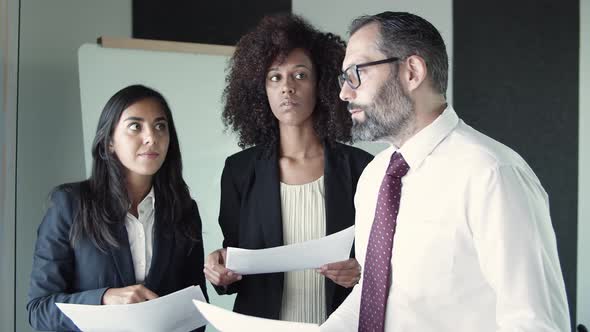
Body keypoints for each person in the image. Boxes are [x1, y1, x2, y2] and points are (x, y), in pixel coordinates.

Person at [322, 11, 570, 332]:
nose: (345, 93)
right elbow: (371, 297)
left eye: (356, 73)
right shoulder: (373, 177)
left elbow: (535, 323)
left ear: (412, 72)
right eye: (343, 78)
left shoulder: (492, 174)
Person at [203, 14, 373, 324]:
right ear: (260, 90)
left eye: (300, 75)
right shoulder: (239, 171)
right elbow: (235, 263)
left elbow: (381, 262)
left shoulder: (361, 168)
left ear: (320, 84)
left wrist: (360, 272)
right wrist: (220, 271)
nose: (287, 88)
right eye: (275, 77)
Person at [27, 85, 208, 331]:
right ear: (109, 141)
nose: (151, 137)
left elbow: (195, 308)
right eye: (135, 126)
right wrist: (104, 298)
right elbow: (39, 310)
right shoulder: (70, 204)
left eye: (160, 126)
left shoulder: (184, 210)